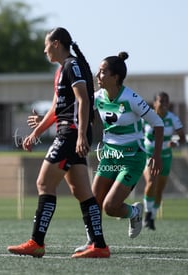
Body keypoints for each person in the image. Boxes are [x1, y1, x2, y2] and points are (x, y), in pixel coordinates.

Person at [7, 27, 110, 259]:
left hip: (71, 134)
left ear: (56, 43)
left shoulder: (71, 65)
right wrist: (36, 133)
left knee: (43, 183)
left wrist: (82, 135)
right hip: (69, 132)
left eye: (46, 45)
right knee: (82, 191)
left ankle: (37, 242)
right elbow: (56, 109)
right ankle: (99, 245)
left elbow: (84, 101)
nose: (44, 50)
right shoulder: (61, 70)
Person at [75, 52, 165, 254]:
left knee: (110, 206)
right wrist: (44, 120)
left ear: (115, 77)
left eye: (103, 72)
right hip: (109, 155)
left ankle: (134, 212)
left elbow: (157, 124)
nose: (98, 75)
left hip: (132, 158)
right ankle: (93, 243)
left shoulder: (131, 98)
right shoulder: (97, 97)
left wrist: (156, 155)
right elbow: (74, 109)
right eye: (98, 71)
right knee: (93, 201)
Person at [142, 91, 186, 230]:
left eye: (167, 102)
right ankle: (147, 214)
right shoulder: (146, 117)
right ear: (154, 103)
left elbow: (183, 138)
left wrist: (175, 143)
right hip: (148, 155)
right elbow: (137, 132)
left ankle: (152, 218)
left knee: (159, 189)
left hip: (165, 157)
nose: (165, 105)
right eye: (161, 101)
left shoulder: (172, 118)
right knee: (151, 182)